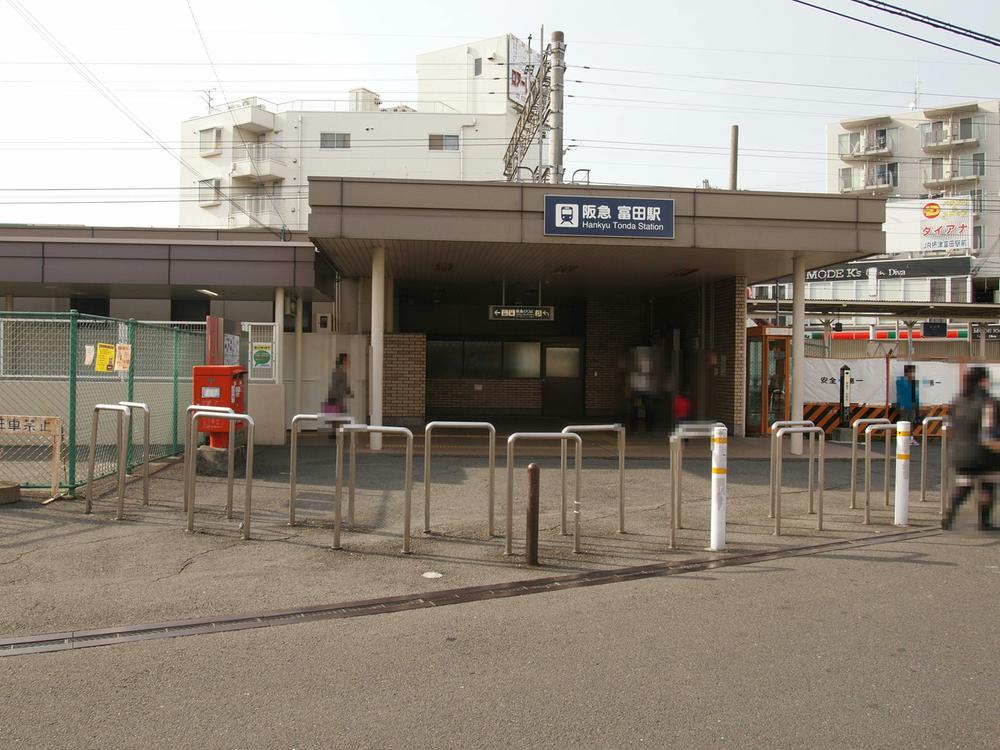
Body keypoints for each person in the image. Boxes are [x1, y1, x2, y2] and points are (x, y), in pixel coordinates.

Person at [942, 366, 998, 531]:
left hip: (960, 453)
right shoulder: (988, 403)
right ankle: (984, 522)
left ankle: (949, 514)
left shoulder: (958, 400)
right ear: (983, 381)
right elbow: (988, 434)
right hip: (984, 455)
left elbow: (948, 425)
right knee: (988, 484)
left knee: (964, 485)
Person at [895, 364, 920, 447]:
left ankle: (910, 439)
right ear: (906, 373)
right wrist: (901, 405)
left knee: (911, 423)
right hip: (904, 405)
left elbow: (916, 395)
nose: (911, 374)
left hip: (912, 406)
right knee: (903, 422)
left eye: (912, 372)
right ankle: (902, 439)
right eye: (910, 372)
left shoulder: (914, 382)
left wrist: (917, 407)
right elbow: (900, 393)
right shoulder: (901, 381)